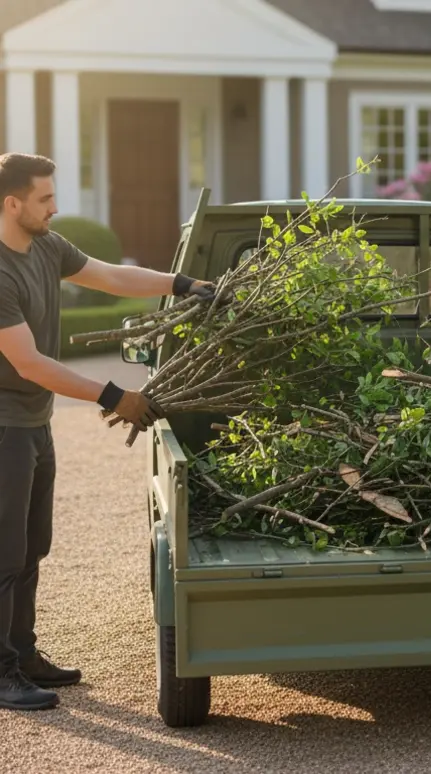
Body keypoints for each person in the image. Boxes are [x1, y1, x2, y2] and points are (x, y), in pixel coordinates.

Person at [0, 152, 215, 712]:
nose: (55, 207)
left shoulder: (47, 246)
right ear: (12, 203)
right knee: (4, 552)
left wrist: (184, 282)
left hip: (33, 422)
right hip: (4, 427)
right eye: (45, 199)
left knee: (31, 547)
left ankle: (21, 653)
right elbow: (29, 364)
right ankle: (1, 673)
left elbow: (112, 275)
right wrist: (115, 395)